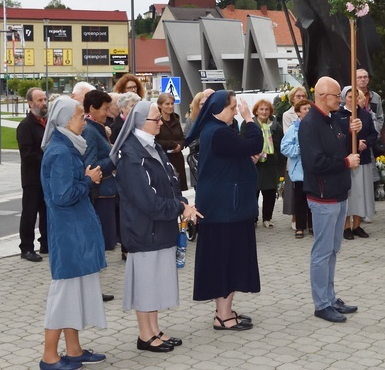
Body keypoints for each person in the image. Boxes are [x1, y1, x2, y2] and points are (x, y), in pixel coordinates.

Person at [110, 101, 202, 353]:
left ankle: (154, 329)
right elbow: (147, 201)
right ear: (141, 123)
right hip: (144, 229)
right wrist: (179, 208)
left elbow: (170, 184)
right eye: (156, 119)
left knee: (155, 283)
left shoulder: (150, 147)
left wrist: (182, 202)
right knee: (145, 285)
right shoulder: (131, 156)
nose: (161, 122)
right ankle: (144, 335)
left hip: (157, 227)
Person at [39, 97, 107, 369]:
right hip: (69, 235)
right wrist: (88, 180)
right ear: (67, 120)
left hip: (75, 232)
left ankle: (75, 350)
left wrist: (85, 178)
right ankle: (49, 356)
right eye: (81, 116)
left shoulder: (67, 147)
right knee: (63, 296)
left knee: (73, 294)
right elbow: (62, 195)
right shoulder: (61, 152)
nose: (85, 120)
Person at [186, 91, 262, 331]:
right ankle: (223, 315)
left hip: (226, 207)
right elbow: (254, 143)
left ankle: (224, 310)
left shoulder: (215, 128)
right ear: (217, 110)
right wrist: (249, 119)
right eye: (232, 108)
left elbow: (238, 153)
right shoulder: (218, 132)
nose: (235, 111)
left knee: (229, 258)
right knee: (226, 260)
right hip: (225, 208)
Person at [299, 77, 362, 323]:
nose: (340, 99)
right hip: (323, 196)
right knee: (322, 252)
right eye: (337, 95)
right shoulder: (310, 123)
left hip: (338, 193)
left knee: (333, 250)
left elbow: (338, 145)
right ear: (324, 97)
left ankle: (330, 296)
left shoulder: (332, 119)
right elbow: (314, 162)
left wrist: (350, 131)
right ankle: (321, 304)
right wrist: (346, 162)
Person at [333, 86, 377, 240]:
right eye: (350, 97)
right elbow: (337, 136)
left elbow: (374, 133)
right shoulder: (338, 115)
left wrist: (366, 142)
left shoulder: (365, 114)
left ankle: (357, 225)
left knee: (360, 194)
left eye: (355, 97)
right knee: (348, 194)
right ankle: (345, 226)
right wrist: (352, 139)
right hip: (346, 160)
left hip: (362, 159)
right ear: (344, 98)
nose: (353, 100)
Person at [81, 90, 118, 251]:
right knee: (103, 243)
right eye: (104, 108)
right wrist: (115, 158)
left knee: (107, 243)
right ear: (92, 108)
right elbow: (91, 165)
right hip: (100, 193)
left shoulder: (96, 127)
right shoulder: (90, 130)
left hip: (107, 191)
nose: (107, 112)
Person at [17, 87, 49, 262]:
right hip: (32, 178)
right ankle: (27, 248)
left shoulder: (47, 123)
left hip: (46, 178)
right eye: (39, 100)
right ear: (30, 103)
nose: (43, 103)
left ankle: (45, 243)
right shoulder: (25, 126)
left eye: (45, 99)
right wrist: (49, 159)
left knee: (46, 212)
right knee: (30, 213)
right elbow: (28, 154)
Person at [242, 99, 283, 228]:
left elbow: (280, 145)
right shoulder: (248, 124)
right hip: (254, 163)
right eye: (261, 109)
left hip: (271, 164)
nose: (264, 112)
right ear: (256, 111)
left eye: (266, 109)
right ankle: (253, 218)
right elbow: (242, 140)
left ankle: (267, 218)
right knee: (253, 192)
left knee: (270, 193)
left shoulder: (276, 126)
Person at [280, 99, 314, 238]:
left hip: (313, 170)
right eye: (304, 109)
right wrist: (299, 149)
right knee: (300, 200)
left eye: (309, 108)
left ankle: (313, 226)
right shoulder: (293, 129)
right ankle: (300, 227)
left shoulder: (316, 127)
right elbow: (285, 147)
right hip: (299, 171)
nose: (307, 111)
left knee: (313, 199)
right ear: (298, 113)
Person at [154, 93, 189, 192]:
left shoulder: (176, 119)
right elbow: (155, 140)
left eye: (172, 104)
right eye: (167, 104)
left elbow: (182, 138)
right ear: (160, 105)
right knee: (167, 189)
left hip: (177, 159)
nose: (170, 106)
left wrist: (180, 145)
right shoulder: (156, 120)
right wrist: (172, 144)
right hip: (164, 158)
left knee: (179, 190)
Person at [356, 69, 384, 133]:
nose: (363, 80)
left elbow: (380, 117)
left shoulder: (376, 97)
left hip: (373, 135)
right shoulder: (349, 96)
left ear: (368, 80)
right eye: (359, 77)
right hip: (356, 133)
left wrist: (376, 131)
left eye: (365, 77)